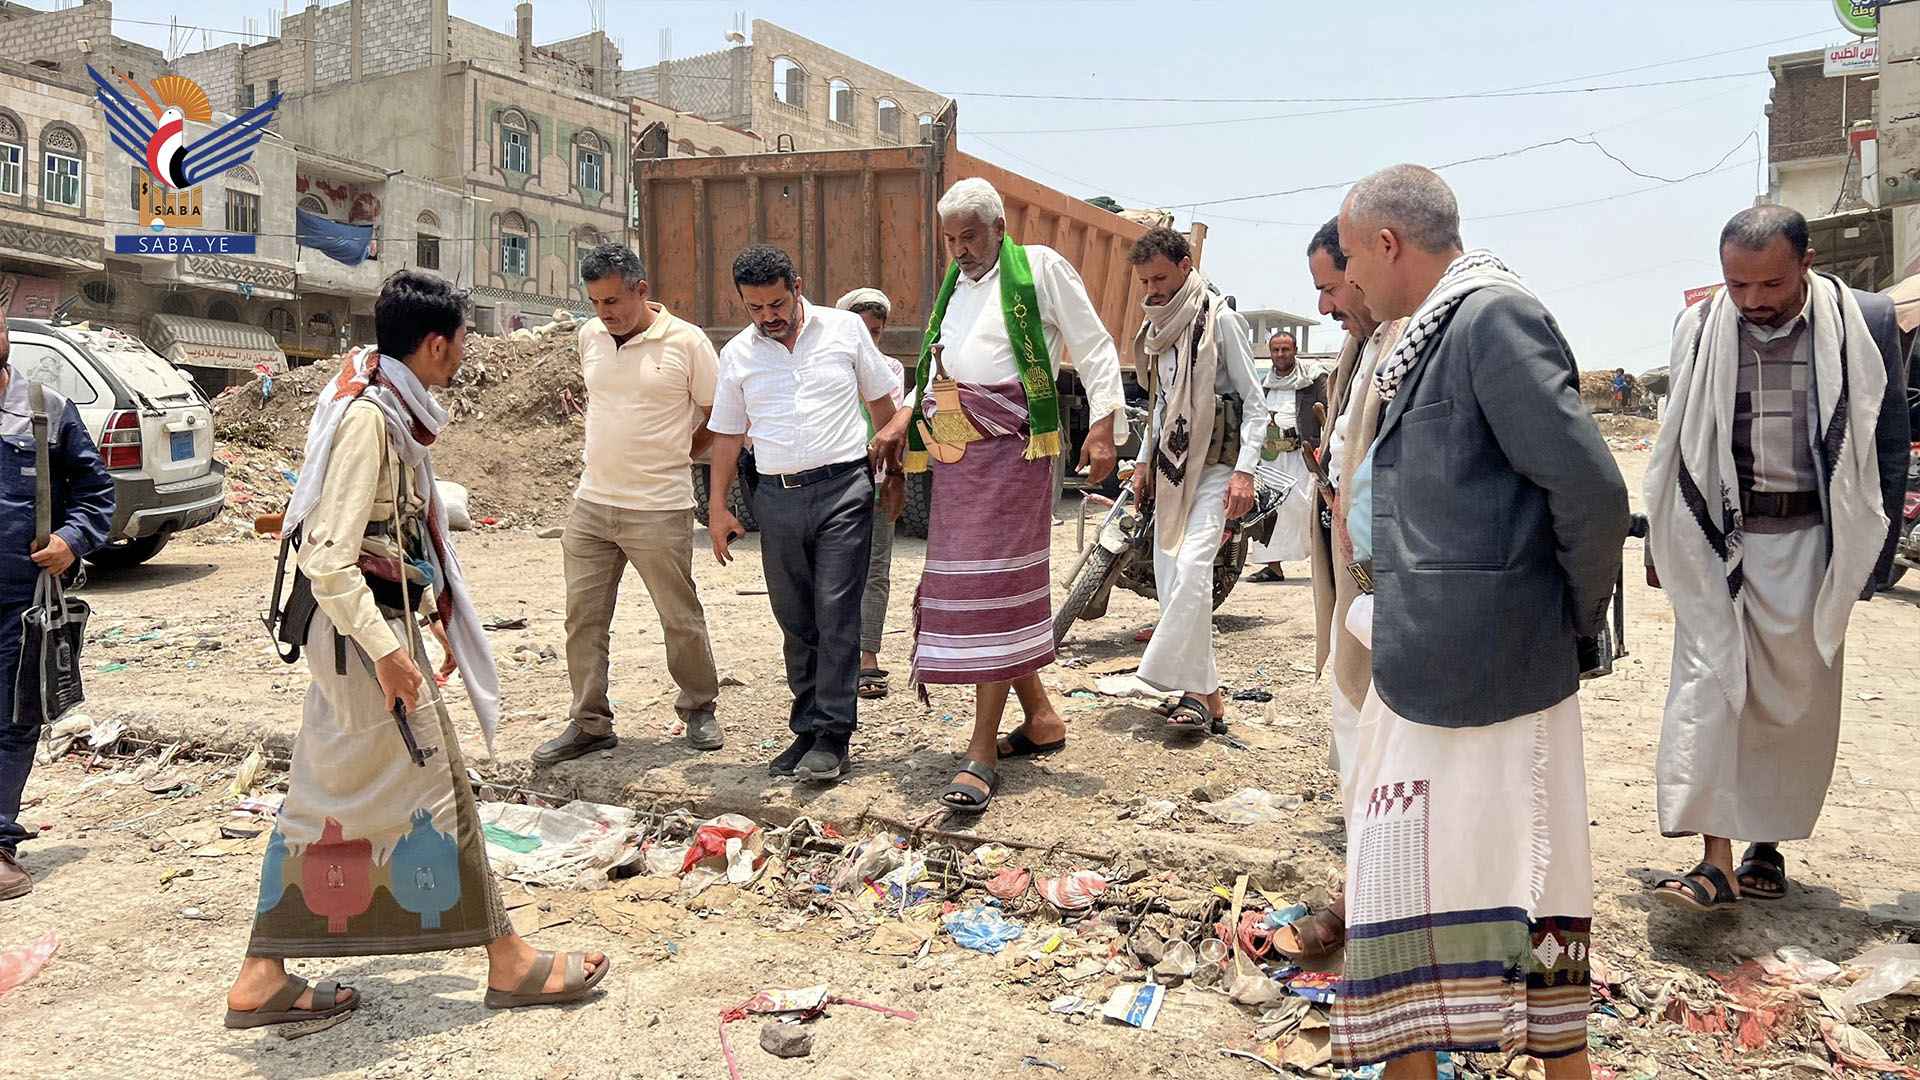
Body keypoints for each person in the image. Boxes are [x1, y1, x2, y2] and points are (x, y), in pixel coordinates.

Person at [227, 272, 608, 1029]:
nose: (466, 354)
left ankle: (262, 973)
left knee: (327, 799)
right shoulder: (371, 421)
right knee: (441, 790)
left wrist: (425, 610)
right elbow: (329, 557)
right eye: (463, 340)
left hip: (364, 634)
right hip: (360, 642)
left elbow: (387, 537)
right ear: (436, 345)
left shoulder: (390, 412)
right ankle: (508, 959)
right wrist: (387, 653)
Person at [1330, 165, 1628, 1077]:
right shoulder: (1424, 335)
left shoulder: (1491, 318)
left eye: (1352, 259)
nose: (1350, 280)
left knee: (1523, 887)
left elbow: (1591, 491)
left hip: (1495, 673)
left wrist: (1566, 620)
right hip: (1426, 660)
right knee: (1404, 885)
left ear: (1389, 244)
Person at [1647, 205, 1910, 912]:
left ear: (1806, 263)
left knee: (1790, 706)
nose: (1754, 300)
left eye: (1770, 284)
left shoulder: (1865, 321)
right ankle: (1714, 862)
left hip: (1812, 546)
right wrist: (1664, 543)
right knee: (1709, 689)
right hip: (1719, 541)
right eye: (1738, 285)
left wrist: (1870, 562)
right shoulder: (1699, 328)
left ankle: (1765, 842)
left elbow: (1886, 442)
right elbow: (1680, 443)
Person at [892, 177, 1122, 814]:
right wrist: (900, 420)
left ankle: (982, 750)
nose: (960, 250)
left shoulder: (1040, 268)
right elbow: (939, 367)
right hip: (958, 459)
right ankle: (1041, 718)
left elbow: (1095, 345)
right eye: (950, 240)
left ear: (999, 229)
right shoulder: (956, 287)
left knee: (993, 591)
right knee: (976, 589)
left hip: (1015, 455)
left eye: (970, 237)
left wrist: (1105, 426)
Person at [707, 246, 902, 783]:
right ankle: (808, 728)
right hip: (776, 497)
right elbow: (726, 434)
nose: (768, 316)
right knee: (795, 618)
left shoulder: (845, 330)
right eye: (755, 307)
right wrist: (718, 506)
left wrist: (895, 476)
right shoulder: (738, 354)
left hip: (844, 489)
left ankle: (833, 735)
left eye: (776, 303)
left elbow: (882, 408)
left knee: (836, 610)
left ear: (796, 286)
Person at [1273, 217, 1408, 961]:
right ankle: (1368, 885)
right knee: (1357, 727)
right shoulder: (1364, 345)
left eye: (1332, 285)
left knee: (1388, 743)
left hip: (1397, 584)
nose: (1324, 306)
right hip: (1355, 576)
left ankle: (1372, 900)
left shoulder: (1414, 340)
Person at [535, 243, 724, 766]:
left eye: (613, 301)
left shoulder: (687, 342)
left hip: (659, 506)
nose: (605, 312)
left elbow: (719, 413)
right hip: (592, 503)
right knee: (583, 619)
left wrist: (679, 452)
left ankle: (699, 707)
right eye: (595, 302)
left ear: (642, 291)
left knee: (678, 616)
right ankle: (589, 723)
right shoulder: (590, 337)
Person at [1126, 226, 1269, 731]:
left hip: (1216, 470)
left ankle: (1180, 685)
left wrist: (1245, 472)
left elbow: (1256, 404)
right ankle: (1207, 697)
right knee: (1172, 580)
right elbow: (1162, 406)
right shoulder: (1158, 327)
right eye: (1145, 281)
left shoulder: (1221, 321)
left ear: (1186, 267)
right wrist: (1143, 461)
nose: (1152, 290)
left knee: (1191, 572)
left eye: (1160, 278)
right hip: (1171, 470)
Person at [0, 317, 114, 901]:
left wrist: (71, 540)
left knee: (14, 720)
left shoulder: (45, 410)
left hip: (21, 601)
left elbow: (98, 494)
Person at [836, 288, 910, 702]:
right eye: (861, 331)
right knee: (832, 571)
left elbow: (889, 422)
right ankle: (833, 656)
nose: (869, 339)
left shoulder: (891, 369)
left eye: (876, 332)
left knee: (876, 569)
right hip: (835, 482)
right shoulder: (827, 365)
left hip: (878, 480)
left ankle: (868, 655)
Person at [1247, 329, 1328, 582]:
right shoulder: (1262, 384)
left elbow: (1329, 414)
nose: (1280, 354)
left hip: (1301, 457)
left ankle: (1323, 566)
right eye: (1276, 350)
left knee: (1305, 509)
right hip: (1270, 458)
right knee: (1268, 510)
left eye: (1285, 349)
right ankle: (1273, 567)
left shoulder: (1312, 380)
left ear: (1295, 351)